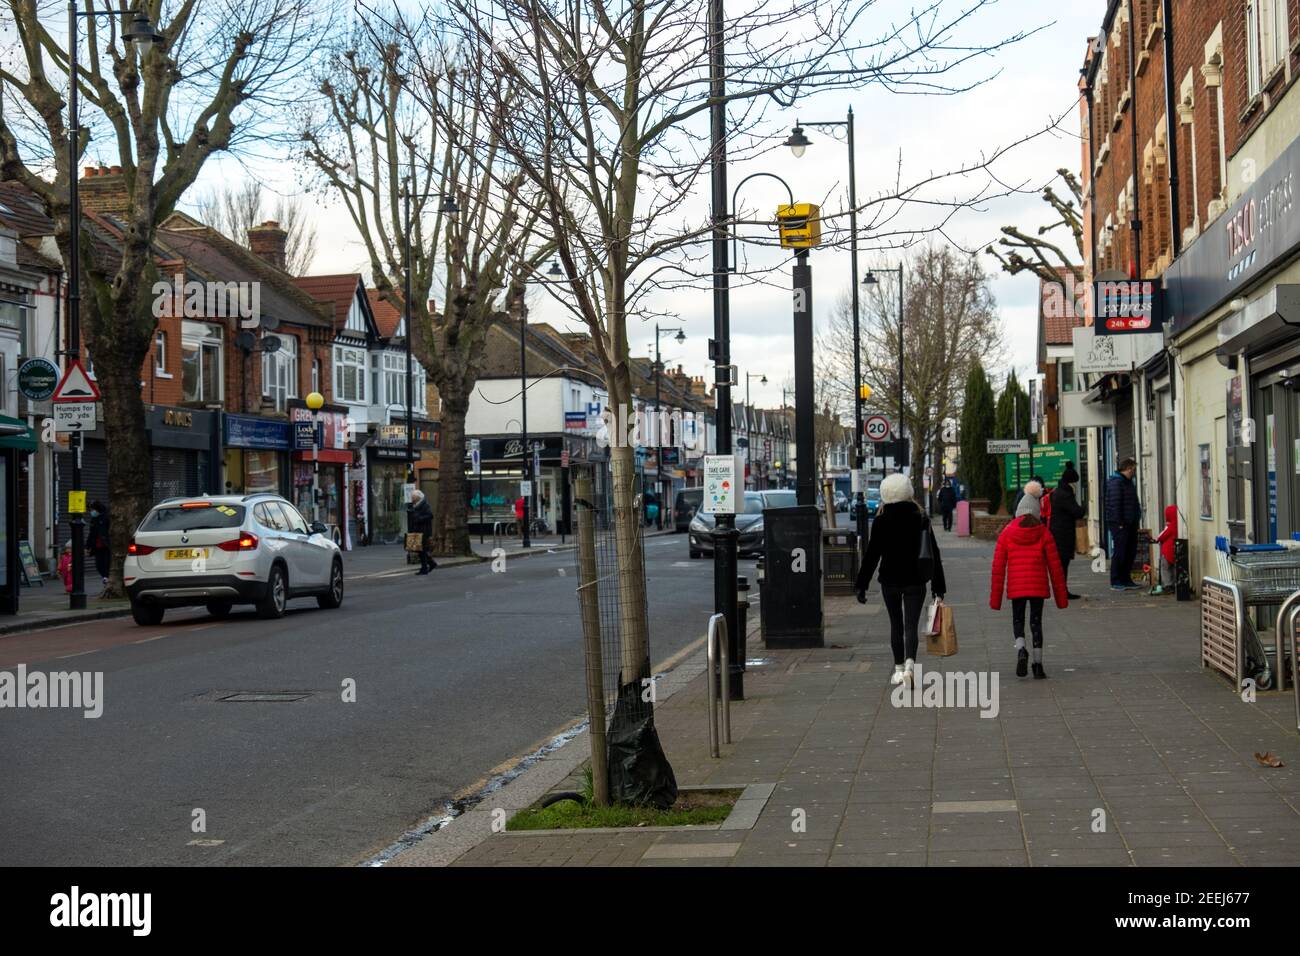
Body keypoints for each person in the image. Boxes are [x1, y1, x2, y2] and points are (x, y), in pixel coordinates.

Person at [855, 473, 946, 688]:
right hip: (916, 580)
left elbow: (871, 555)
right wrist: (938, 587)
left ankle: (897, 670)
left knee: (896, 625)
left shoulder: (881, 520)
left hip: (890, 581)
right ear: (908, 492)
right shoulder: (921, 517)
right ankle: (910, 666)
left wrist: (862, 585)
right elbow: (933, 552)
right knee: (911, 625)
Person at [990, 483, 1068, 679]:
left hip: (1016, 587)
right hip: (1038, 587)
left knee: (1018, 620)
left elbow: (998, 568)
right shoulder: (1043, 532)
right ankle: (1038, 665)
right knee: (1036, 622)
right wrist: (1061, 598)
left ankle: (1021, 649)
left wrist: (995, 599)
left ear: (1018, 511)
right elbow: (1055, 566)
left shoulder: (1007, 533)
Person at [1048, 463, 1085, 600]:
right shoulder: (1065, 494)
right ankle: (1062, 591)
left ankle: (1061, 590)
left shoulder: (1058, 491)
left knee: (1061, 563)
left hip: (1058, 531)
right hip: (1063, 533)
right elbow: (1077, 512)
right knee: (1062, 563)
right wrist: (1084, 507)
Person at [1105, 458, 1141, 591]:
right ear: (1128, 468)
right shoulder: (1116, 483)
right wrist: (1119, 522)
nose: (1134, 472)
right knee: (1120, 551)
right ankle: (1116, 580)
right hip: (1120, 524)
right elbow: (1115, 504)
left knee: (1130, 551)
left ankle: (1126, 579)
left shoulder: (1127, 482)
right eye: (1133, 469)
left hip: (1130, 522)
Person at [406, 489, 436, 575]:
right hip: (417, 530)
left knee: (421, 550)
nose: (412, 499)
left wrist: (420, 519)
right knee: (419, 550)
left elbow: (430, 515)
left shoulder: (425, 505)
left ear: (418, 498)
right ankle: (430, 564)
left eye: (413, 497)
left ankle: (425, 568)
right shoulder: (414, 505)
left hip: (424, 531)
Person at [1152, 504, 1178, 595]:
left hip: (1167, 551)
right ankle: (1175, 583)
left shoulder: (1171, 526)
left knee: (1165, 568)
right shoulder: (1178, 524)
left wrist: (1157, 539)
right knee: (1174, 568)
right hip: (1176, 550)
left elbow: (1162, 536)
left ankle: (1168, 585)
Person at [87, 500, 111, 587]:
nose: (91, 512)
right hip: (97, 546)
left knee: (107, 564)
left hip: (106, 545)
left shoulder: (106, 518)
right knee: (98, 565)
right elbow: (91, 533)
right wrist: (88, 546)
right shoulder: (93, 520)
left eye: (92, 510)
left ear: (97, 509)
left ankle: (106, 578)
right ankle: (105, 578)